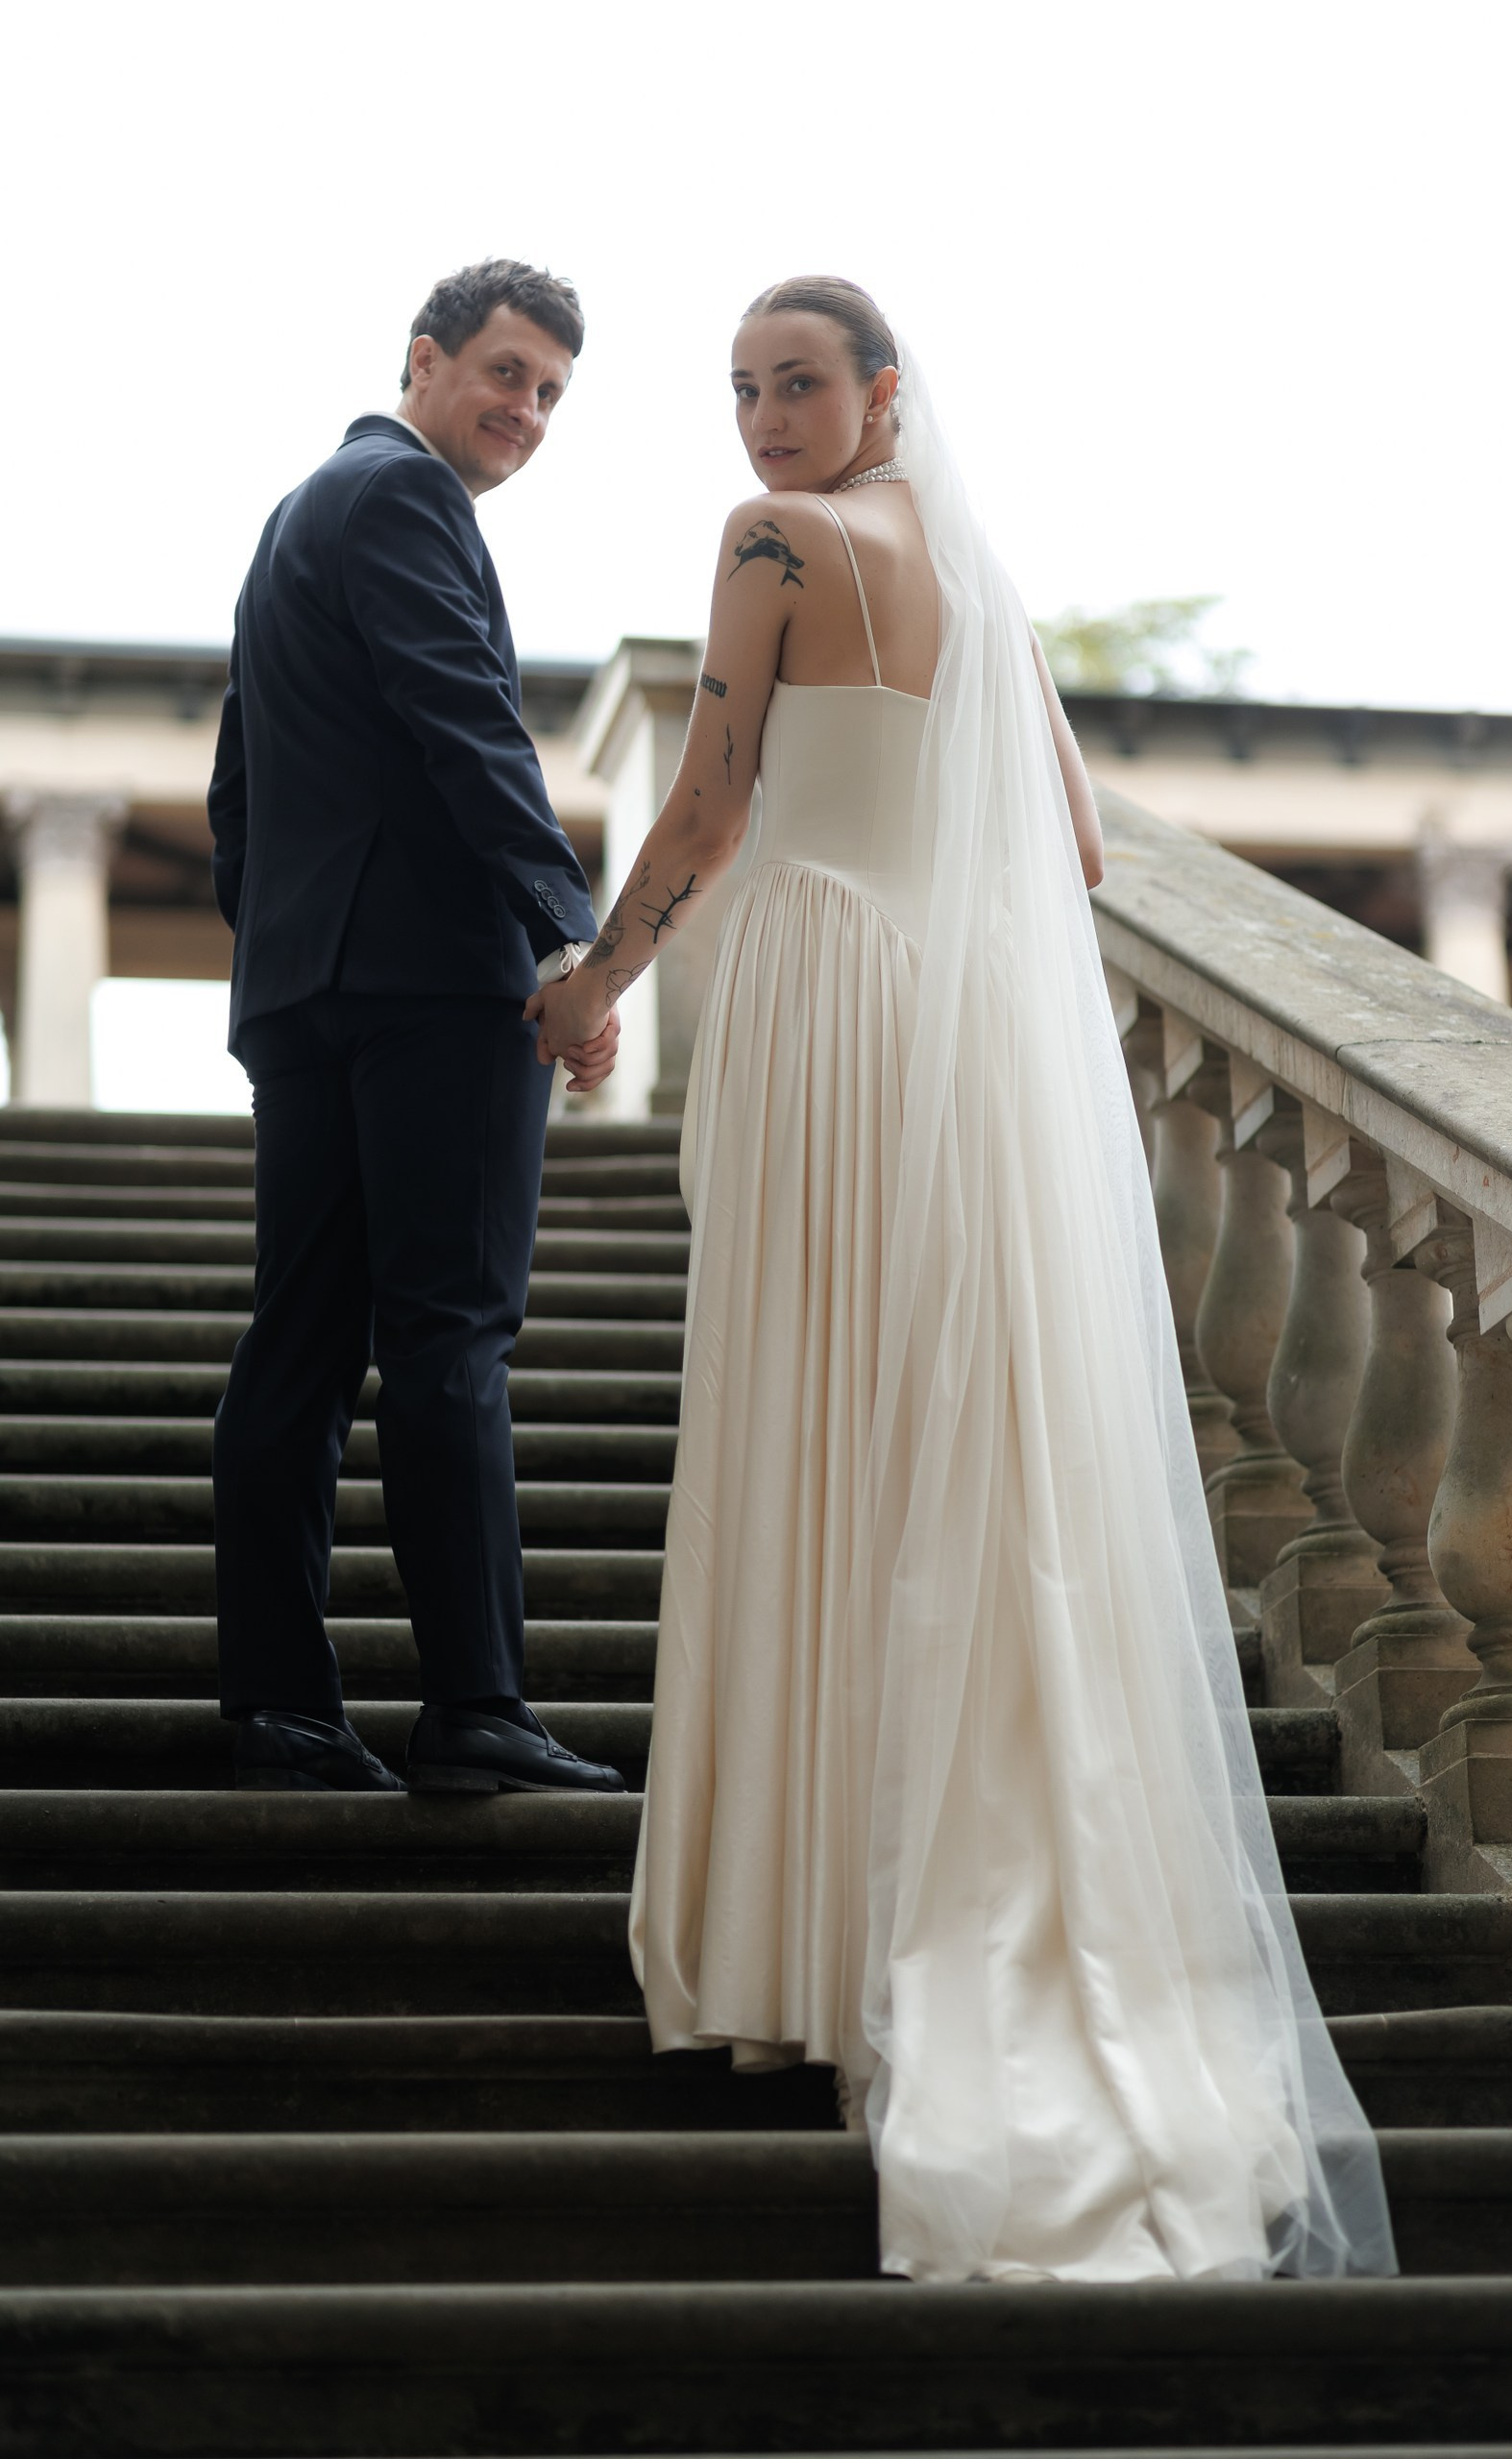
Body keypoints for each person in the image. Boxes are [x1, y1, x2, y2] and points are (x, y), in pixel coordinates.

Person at [530, 278, 1397, 2283]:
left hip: (827, 1006)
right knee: (940, 1460)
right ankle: (947, 1923)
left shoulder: (772, 544)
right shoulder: (975, 584)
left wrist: (594, 984)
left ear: (879, 390)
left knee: (810, 1431)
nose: (760, 418)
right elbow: (1072, 849)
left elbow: (714, 799)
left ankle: (805, 1931)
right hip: (950, 1038)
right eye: (740, 388)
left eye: (796, 380)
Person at [208, 258, 623, 1798]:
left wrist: (282, 969)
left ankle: (278, 1708)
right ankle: (473, 1708)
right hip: (436, 986)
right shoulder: (402, 501)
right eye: (507, 374)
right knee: (449, 1333)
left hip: (314, 989)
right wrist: (566, 935)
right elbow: (465, 718)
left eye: (551, 396)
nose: (525, 412)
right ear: (425, 357)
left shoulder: (303, 513)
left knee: (303, 1342)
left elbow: (236, 788)